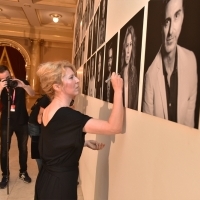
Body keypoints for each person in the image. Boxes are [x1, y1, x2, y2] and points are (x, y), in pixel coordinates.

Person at [34, 60, 123, 200]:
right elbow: (114, 127)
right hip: (60, 186)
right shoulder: (67, 115)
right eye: (71, 77)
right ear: (57, 86)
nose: (77, 80)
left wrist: (83, 143)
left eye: (75, 76)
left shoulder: (50, 109)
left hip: (47, 179)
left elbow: (54, 141)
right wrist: (118, 90)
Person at [142, 0, 197, 128]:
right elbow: (148, 130)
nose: (171, 31)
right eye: (167, 21)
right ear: (161, 26)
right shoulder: (150, 75)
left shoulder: (191, 61)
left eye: (176, 15)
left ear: (183, 16)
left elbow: (189, 128)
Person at [0, 65, 35, 189]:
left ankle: (23, 172)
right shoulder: (0, 87)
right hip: (6, 122)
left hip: (22, 121)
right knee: (4, 149)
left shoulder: (20, 82)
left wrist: (24, 86)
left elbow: (32, 93)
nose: (7, 80)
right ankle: (5, 175)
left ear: (10, 73)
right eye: (3, 79)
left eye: (8, 77)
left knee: (23, 148)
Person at [28, 94, 51, 170]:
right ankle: (41, 172)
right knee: (37, 150)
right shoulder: (47, 98)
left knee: (44, 149)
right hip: (35, 125)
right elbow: (39, 118)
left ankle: (44, 171)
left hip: (40, 125)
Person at [120, 25, 138, 110]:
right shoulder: (120, 74)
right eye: (127, 45)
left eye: (130, 45)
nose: (128, 51)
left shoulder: (134, 73)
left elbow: (135, 103)